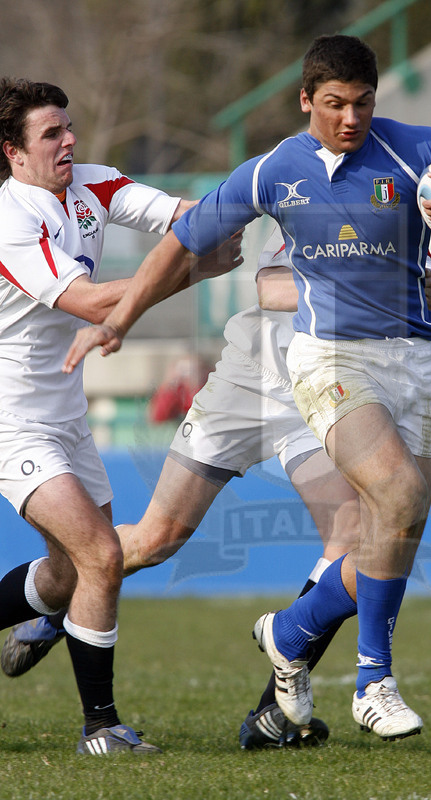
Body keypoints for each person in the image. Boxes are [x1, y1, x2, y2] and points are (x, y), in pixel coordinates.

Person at [61, 33, 431, 741]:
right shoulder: (272, 172)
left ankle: (290, 632)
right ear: (305, 101)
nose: (351, 118)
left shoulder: (414, 149)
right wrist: (124, 315)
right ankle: (372, 681)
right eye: (335, 104)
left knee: (395, 536)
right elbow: (186, 240)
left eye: (363, 103)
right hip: (329, 360)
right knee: (398, 496)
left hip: (413, 360)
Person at [3, 225, 431, 750]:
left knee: (350, 536)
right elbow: (273, 289)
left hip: (324, 390)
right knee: (155, 539)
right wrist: (375, 294)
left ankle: (272, 714)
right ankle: (61, 599)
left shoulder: (415, 246)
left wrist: (401, 299)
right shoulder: (317, 197)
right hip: (252, 380)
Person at [0, 77, 242, 755]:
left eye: (69, 127)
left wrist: (261, 203)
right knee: (103, 555)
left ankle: (47, 622)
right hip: (11, 421)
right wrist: (195, 273)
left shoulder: (94, 187)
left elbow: (186, 218)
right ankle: (100, 727)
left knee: (69, 572)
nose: (69, 140)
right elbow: (91, 303)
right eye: (52, 134)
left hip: (65, 417)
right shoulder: (9, 219)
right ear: (14, 154)